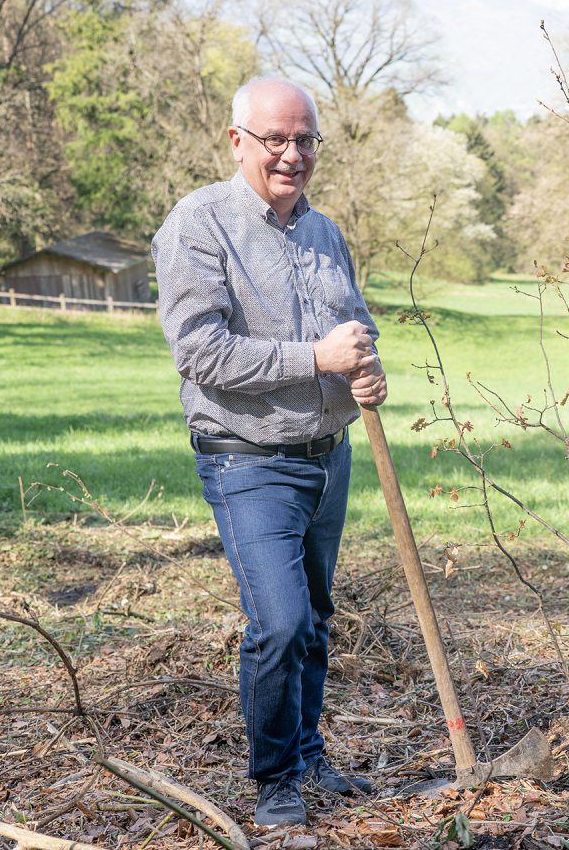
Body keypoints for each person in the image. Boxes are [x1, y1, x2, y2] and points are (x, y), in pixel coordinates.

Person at [153, 76, 387, 827]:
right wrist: (315, 359)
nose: (292, 155)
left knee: (316, 616)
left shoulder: (325, 233)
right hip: (246, 458)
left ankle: (310, 754)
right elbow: (203, 353)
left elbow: (351, 328)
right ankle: (276, 779)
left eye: (306, 140)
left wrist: (364, 365)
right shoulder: (198, 225)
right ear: (237, 141)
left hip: (329, 455)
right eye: (276, 140)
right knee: (279, 622)